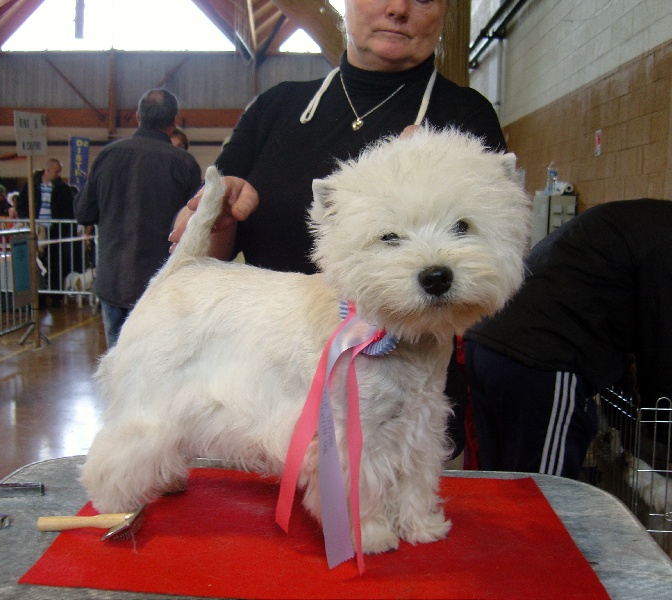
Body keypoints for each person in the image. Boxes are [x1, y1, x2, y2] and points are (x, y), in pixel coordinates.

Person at [169, 0, 505, 457]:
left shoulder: (464, 118)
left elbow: (484, 262)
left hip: (398, 413)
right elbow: (205, 258)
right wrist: (217, 218)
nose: (399, 8)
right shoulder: (275, 107)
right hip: (257, 393)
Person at [464, 199, 672, 479]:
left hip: (487, 343)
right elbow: (660, 342)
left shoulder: (641, 221)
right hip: (541, 357)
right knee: (546, 489)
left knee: (503, 482)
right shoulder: (662, 241)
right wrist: (660, 434)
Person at [75, 89, 202, 348]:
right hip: (161, 287)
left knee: (118, 364)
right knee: (160, 366)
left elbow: (84, 213)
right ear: (175, 120)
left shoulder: (107, 156)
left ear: (137, 116)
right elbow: (195, 228)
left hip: (113, 282)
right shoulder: (184, 164)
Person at [17, 158, 78, 300]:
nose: (58, 174)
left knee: (55, 264)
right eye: (56, 171)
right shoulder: (31, 185)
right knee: (37, 265)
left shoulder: (63, 188)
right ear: (48, 170)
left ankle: (56, 297)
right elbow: (21, 204)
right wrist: (26, 219)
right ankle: (39, 298)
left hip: (54, 231)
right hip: (36, 231)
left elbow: (69, 210)